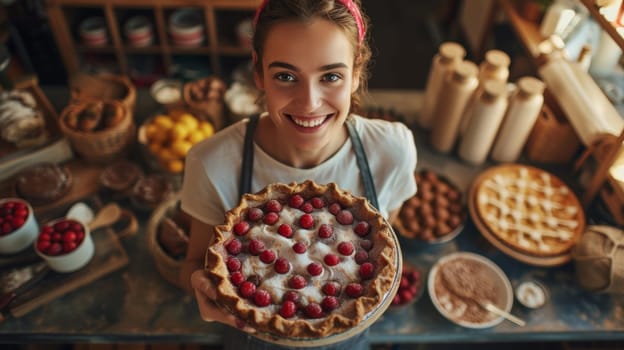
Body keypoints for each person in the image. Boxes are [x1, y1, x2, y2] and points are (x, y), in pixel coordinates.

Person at [179, 0, 417, 348]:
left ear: (357, 73)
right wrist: (199, 286)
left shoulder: (391, 152)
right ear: (258, 74)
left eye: (331, 76)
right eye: (286, 76)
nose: (309, 102)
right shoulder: (212, 163)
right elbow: (191, 265)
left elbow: (384, 249)